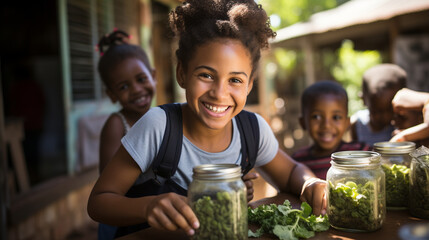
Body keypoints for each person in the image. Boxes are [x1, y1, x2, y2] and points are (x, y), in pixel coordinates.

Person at [87, 0, 326, 238]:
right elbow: (99, 202)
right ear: (182, 74)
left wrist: (309, 183)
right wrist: (148, 205)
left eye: (235, 80)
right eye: (206, 75)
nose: (219, 93)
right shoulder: (158, 126)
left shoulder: (252, 130)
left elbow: (292, 171)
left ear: (250, 85)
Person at [96, 29, 156, 240]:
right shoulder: (116, 124)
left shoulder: (161, 119)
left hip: (155, 212)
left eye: (141, 79)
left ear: (154, 76)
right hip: (126, 217)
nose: (137, 89)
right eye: (123, 86)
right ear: (112, 95)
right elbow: (108, 185)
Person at [293, 81, 370, 179]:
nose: (326, 125)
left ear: (347, 123)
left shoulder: (361, 153)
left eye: (336, 117)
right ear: (303, 122)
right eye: (316, 117)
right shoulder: (297, 162)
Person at [350, 64, 407, 146]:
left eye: (391, 110)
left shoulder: (401, 125)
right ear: (363, 100)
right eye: (377, 112)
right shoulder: (357, 124)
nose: (385, 117)